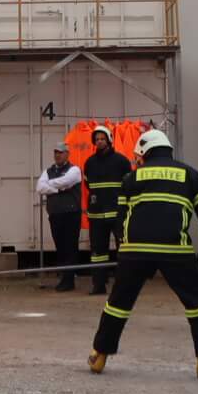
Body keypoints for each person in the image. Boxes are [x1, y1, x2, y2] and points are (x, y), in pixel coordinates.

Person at [88, 131, 198, 379]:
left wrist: (125, 245)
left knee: (118, 303)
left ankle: (98, 354)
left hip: (135, 251)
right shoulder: (190, 174)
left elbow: (120, 217)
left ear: (144, 153)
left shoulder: (132, 177)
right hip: (175, 249)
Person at [82, 126, 131, 297]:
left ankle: (124, 286)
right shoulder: (89, 163)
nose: (99, 142)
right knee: (97, 252)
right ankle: (99, 285)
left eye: (102, 139)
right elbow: (88, 185)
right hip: (96, 215)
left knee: (123, 251)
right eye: (97, 139)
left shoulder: (122, 161)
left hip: (118, 214)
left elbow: (128, 185)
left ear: (109, 140)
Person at [35, 143, 84, 291]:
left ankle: (68, 281)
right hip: (55, 214)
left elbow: (67, 181)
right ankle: (65, 278)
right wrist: (58, 189)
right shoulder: (48, 171)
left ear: (67, 154)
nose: (58, 155)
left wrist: (50, 185)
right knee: (60, 247)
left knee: (70, 247)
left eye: (61, 152)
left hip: (71, 214)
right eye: (56, 152)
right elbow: (40, 188)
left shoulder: (74, 170)